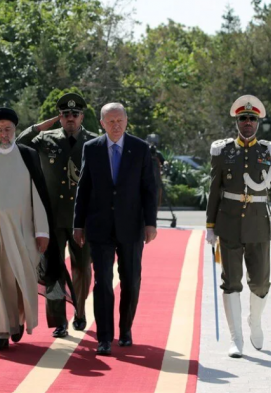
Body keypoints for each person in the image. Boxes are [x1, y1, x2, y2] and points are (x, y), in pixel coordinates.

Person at [0, 107, 61, 351]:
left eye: (8, 129)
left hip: (23, 229)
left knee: (20, 278)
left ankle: (16, 322)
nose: (4, 135)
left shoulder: (28, 155)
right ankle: (0, 331)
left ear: (15, 130)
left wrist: (42, 231)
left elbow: (38, 195)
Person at [205, 95, 271, 358]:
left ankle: (255, 321)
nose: (248, 122)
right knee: (230, 282)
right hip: (228, 225)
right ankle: (236, 338)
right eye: (243, 118)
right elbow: (214, 189)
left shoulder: (269, 152)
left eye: (252, 118)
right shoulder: (223, 151)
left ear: (258, 121)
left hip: (259, 225)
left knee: (261, 283)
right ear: (237, 121)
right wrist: (210, 225)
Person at [73, 102, 158, 356]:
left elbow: (149, 189)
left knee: (131, 281)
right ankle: (104, 337)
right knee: (103, 283)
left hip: (131, 226)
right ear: (102, 123)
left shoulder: (140, 148)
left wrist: (151, 223)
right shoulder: (92, 148)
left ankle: (126, 328)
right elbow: (84, 187)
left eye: (120, 120)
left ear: (127, 120)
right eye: (110, 121)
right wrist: (78, 223)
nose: (116, 125)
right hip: (99, 227)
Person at [17, 93, 97, 338]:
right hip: (51, 218)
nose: (70, 118)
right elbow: (20, 142)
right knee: (52, 270)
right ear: (59, 117)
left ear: (82, 116)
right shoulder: (45, 139)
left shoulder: (93, 142)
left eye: (74, 114)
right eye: (65, 114)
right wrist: (44, 124)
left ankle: (80, 312)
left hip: (81, 219)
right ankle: (58, 320)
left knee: (82, 268)